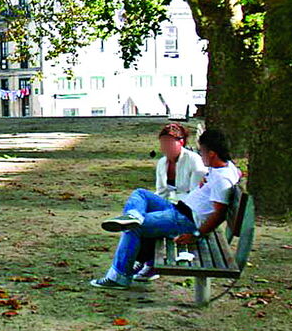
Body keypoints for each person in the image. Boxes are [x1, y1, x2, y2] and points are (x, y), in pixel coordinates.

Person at [90, 128, 242, 290]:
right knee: (141, 194)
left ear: (212, 153)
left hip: (186, 221)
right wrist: (208, 177)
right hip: (180, 209)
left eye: (202, 151)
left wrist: (196, 235)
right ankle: (134, 215)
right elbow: (237, 173)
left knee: (134, 228)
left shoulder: (222, 179)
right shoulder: (226, 167)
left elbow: (219, 214)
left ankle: (119, 277)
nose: (200, 154)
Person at [130, 123, 207, 282]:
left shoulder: (194, 162)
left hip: (188, 212)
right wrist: (155, 206)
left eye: (170, 142)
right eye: (163, 142)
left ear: (182, 142)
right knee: (140, 197)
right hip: (173, 205)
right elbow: (161, 191)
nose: (166, 146)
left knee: (141, 224)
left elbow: (194, 197)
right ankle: (133, 216)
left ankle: (143, 261)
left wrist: (170, 203)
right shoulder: (162, 163)